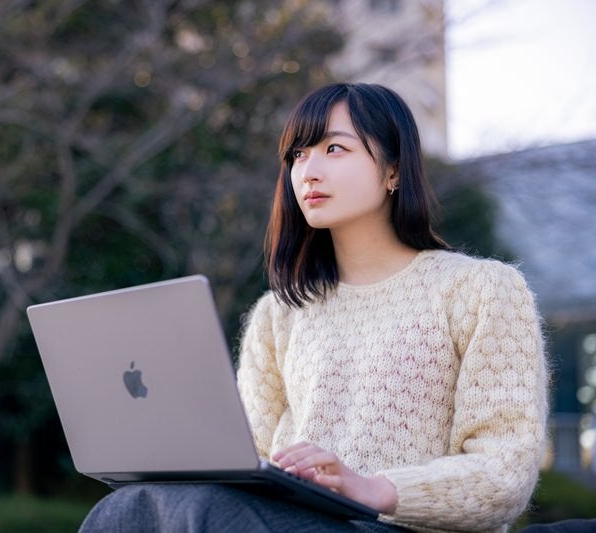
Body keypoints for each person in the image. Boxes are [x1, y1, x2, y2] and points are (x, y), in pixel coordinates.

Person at [79, 83, 548, 532]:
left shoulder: (481, 289)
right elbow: (248, 465)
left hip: (401, 526)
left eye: (334, 149)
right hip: (288, 520)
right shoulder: (278, 314)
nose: (307, 172)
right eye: (297, 155)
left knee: (203, 512)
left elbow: (504, 474)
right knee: (125, 508)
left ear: (394, 170)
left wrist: (370, 488)